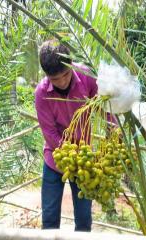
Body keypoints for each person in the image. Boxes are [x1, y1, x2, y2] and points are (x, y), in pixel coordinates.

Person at [34, 40, 97, 231]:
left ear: (71, 65)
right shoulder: (41, 93)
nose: (62, 82)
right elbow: (50, 133)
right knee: (50, 219)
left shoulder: (87, 77)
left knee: (84, 221)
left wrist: (113, 129)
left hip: (85, 161)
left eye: (65, 75)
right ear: (46, 75)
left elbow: (104, 107)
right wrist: (71, 155)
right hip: (55, 160)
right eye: (55, 79)